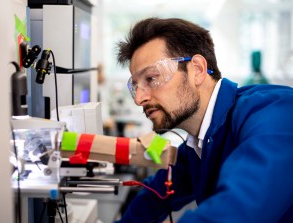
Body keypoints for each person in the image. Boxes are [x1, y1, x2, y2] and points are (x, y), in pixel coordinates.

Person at [114, 17, 293, 223]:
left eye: (152, 78)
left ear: (197, 70)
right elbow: (154, 196)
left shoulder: (275, 112)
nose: (139, 99)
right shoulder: (197, 145)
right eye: (135, 86)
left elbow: (235, 211)